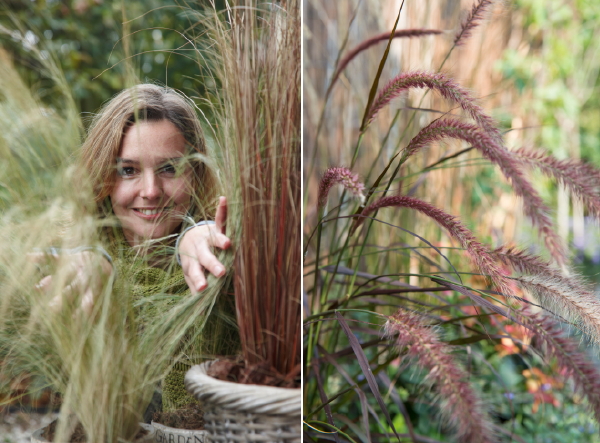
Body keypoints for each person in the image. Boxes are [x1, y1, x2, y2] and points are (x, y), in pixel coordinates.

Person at [35, 83, 232, 303]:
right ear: (101, 178)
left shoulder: (231, 260)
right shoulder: (59, 267)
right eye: (128, 170)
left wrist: (200, 234)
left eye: (169, 169)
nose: (151, 191)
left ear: (196, 174)